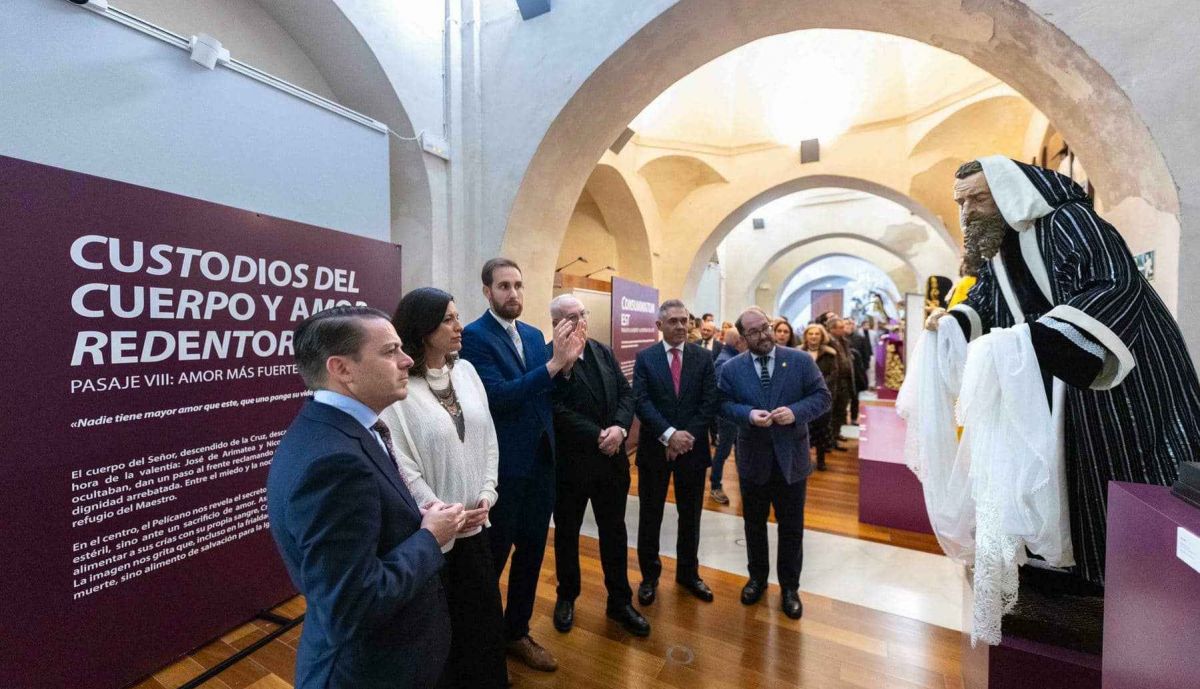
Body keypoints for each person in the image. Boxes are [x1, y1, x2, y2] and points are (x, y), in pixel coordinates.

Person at [925, 156, 1200, 587]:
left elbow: (1111, 283)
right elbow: (986, 299)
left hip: (1114, 376)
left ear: (1008, 193)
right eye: (962, 202)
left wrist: (1042, 338)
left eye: (978, 198)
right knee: (1067, 468)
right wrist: (952, 320)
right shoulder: (999, 248)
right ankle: (1077, 564)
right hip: (1053, 378)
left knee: (1125, 466)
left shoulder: (1068, 221)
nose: (968, 211)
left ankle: (1138, 575)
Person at [267, 306, 466, 689]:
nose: (408, 360)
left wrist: (413, 519)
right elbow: (352, 607)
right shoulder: (334, 462)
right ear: (342, 369)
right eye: (391, 351)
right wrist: (429, 537)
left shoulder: (337, 429)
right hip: (368, 671)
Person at [459, 258, 585, 672]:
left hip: (541, 464)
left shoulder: (532, 335)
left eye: (518, 285)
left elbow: (545, 392)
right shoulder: (474, 338)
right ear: (487, 292)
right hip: (503, 470)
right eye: (504, 286)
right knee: (492, 560)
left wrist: (566, 366)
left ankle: (516, 631)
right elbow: (499, 396)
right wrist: (553, 365)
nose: (513, 294)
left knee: (531, 554)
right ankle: (481, 643)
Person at [379, 288, 506, 689]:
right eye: (449, 319)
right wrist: (441, 511)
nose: (459, 326)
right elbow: (402, 464)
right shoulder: (399, 389)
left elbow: (488, 440)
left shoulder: (466, 372)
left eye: (457, 316)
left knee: (483, 624)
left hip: (478, 525)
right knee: (440, 633)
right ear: (423, 327)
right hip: (432, 535)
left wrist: (487, 493)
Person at [545, 295, 650, 637]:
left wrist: (620, 428)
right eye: (570, 318)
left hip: (611, 463)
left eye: (582, 315)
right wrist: (598, 434)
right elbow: (555, 408)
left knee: (614, 533)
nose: (579, 322)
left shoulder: (602, 351)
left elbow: (626, 393)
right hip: (571, 467)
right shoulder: (549, 357)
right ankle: (567, 595)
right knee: (567, 534)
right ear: (556, 323)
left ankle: (619, 600)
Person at [718, 307, 831, 619]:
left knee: (791, 527)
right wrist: (748, 415)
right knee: (753, 524)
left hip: (791, 459)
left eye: (765, 327)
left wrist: (795, 412)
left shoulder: (799, 361)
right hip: (753, 460)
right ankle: (757, 579)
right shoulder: (732, 369)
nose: (763, 335)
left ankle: (790, 587)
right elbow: (724, 404)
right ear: (743, 338)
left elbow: (823, 398)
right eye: (754, 332)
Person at [632, 299, 719, 606]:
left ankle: (688, 573)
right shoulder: (645, 358)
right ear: (659, 326)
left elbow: (709, 403)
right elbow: (641, 401)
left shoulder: (703, 358)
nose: (682, 326)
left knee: (691, 515)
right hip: (655, 451)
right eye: (674, 321)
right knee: (650, 515)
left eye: (685, 320)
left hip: (692, 451)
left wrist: (685, 438)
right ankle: (650, 577)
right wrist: (669, 436)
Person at [709, 328, 747, 504]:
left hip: (736, 414)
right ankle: (715, 486)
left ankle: (745, 484)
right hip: (729, 416)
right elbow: (720, 392)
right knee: (723, 451)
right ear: (739, 341)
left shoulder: (733, 358)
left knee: (739, 450)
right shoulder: (725, 362)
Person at [799, 323, 839, 471]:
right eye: (811, 334)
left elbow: (833, 375)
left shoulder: (830, 354)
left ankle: (821, 459)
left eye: (817, 334)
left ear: (822, 336)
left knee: (822, 429)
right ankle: (805, 460)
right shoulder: (797, 352)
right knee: (805, 430)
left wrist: (818, 388)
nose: (814, 336)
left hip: (822, 397)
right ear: (806, 336)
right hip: (802, 399)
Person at [825, 318, 853, 450]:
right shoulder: (828, 342)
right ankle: (830, 440)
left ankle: (836, 434)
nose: (844, 329)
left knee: (841, 411)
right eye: (841, 327)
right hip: (834, 382)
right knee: (832, 412)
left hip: (845, 381)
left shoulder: (844, 341)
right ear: (832, 329)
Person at [847, 319, 873, 424]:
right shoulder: (840, 339)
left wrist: (864, 370)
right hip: (844, 373)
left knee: (855, 397)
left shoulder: (860, 339)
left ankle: (853, 418)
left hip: (856, 372)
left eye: (851, 323)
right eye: (847, 324)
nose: (849, 326)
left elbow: (866, 355)